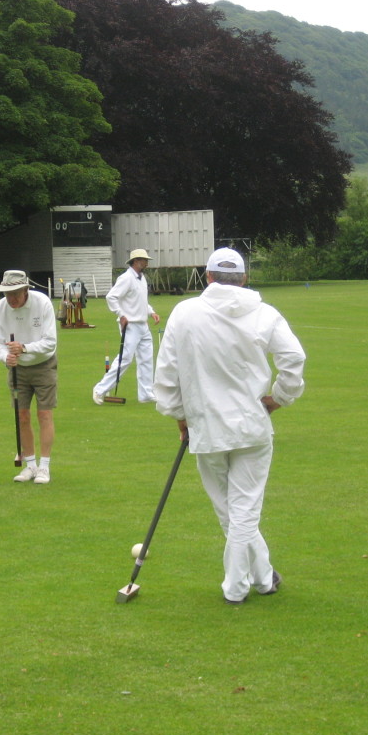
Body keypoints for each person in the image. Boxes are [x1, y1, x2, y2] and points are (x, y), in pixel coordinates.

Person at [154, 247, 305, 605]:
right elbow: (293, 359)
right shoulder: (264, 313)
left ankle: (240, 586)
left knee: (233, 511)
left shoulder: (184, 312)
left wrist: (180, 418)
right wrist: (278, 398)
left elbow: (166, 375)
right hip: (251, 426)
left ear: (207, 277)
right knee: (241, 511)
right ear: (244, 278)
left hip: (206, 427)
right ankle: (262, 578)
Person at [0, 270, 58, 484]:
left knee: (44, 414)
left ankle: (44, 467)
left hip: (43, 365)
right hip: (17, 369)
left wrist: (24, 348)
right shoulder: (0, 308)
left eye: (15, 294)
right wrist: (5, 358)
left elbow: (50, 342)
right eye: (7, 294)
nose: (11, 299)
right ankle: (30, 465)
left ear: (25, 290)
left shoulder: (42, 303)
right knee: (22, 416)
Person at [92, 248, 160, 404]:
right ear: (136, 261)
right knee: (125, 359)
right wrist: (121, 314)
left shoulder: (141, 278)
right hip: (130, 325)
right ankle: (99, 390)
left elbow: (141, 300)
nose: (146, 262)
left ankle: (146, 393)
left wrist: (151, 312)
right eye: (144, 259)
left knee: (146, 359)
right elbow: (111, 297)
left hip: (143, 325)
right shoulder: (126, 278)